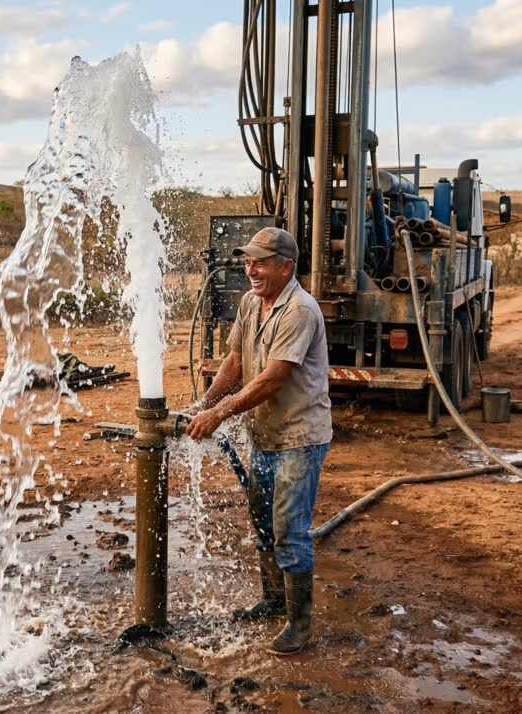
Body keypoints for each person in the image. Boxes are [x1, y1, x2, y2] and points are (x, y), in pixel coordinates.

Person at [185, 226, 332, 655]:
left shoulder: (300, 310)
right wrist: (205, 402)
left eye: (261, 261)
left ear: (286, 266)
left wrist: (219, 413)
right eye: (248, 261)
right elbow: (235, 360)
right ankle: (272, 599)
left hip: (299, 438)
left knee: (290, 531)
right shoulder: (251, 302)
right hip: (264, 435)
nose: (250, 269)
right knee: (264, 524)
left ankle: (299, 624)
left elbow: (272, 378)